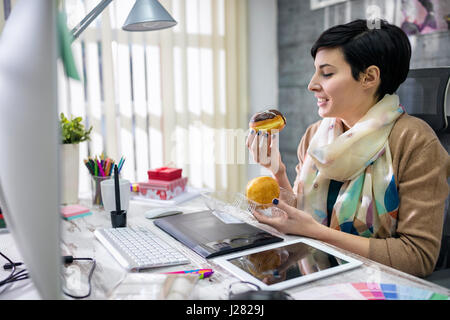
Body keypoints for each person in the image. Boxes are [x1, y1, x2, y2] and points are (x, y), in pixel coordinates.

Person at [246, 19, 450, 277]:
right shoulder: (315, 136)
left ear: (369, 77)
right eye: (315, 71)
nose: (312, 84)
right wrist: (277, 171)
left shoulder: (415, 142)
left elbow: (417, 257)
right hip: (316, 281)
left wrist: (317, 233)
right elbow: (300, 218)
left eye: (327, 73)